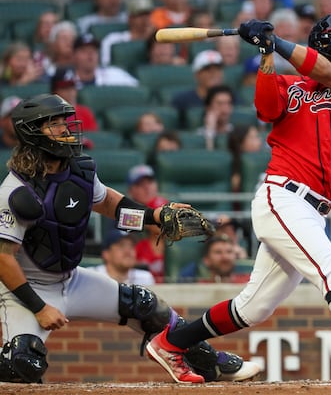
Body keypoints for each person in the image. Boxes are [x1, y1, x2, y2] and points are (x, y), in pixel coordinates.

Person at [145, 12, 331, 384]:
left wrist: (278, 41)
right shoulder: (289, 83)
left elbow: (328, 75)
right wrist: (267, 54)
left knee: (253, 307)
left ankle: (171, 342)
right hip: (282, 196)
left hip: (314, 210)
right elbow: (267, 109)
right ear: (321, 40)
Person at [0, 94, 259, 383]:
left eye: (64, 122)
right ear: (32, 134)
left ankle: (212, 364)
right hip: (28, 290)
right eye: (54, 124)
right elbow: (3, 258)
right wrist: (39, 307)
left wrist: (155, 217)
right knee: (23, 365)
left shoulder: (79, 170)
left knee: (147, 306)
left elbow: (108, 204)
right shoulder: (15, 191)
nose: (66, 129)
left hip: (71, 279)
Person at [126, 164, 169, 282]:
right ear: (131, 191)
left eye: (150, 182)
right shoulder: (125, 213)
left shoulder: (165, 204)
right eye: (140, 184)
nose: (147, 188)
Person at [100, 0, 156, 67]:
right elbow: (105, 66)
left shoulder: (156, 40)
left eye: (147, 14)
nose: (145, 19)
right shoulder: (112, 40)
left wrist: (151, 39)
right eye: (140, 15)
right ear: (130, 18)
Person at [90, 229, 155, 285]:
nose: (128, 251)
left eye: (131, 246)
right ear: (106, 254)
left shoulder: (145, 278)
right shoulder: (92, 276)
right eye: (121, 246)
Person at [72, 33, 139, 88]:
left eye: (94, 50)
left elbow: (138, 88)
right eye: (84, 50)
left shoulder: (113, 74)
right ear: (74, 55)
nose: (90, 54)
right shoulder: (67, 81)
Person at [179, 234, 251, 284]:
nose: (225, 257)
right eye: (218, 252)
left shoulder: (247, 283)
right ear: (206, 260)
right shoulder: (199, 288)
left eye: (229, 252)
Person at [172, 50, 224, 114]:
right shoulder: (182, 101)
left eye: (217, 69)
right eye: (207, 69)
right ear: (197, 75)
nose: (214, 73)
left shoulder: (233, 98)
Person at [51, 67, 99, 131]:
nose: (70, 91)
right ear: (55, 91)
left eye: (72, 87)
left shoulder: (85, 113)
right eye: (65, 88)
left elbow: (93, 138)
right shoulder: (47, 115)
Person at [195, 85, 236, 150]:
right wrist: (210, 129)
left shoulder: (236, 133)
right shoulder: (198, 135)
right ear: (208, 108)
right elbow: (210, 158)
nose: (225, 108)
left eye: (229, 103)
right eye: (220, 103)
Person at [228, 124, 264, 193]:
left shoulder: (267, 162)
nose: (259, 142)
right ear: (240, 143)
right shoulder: (232, 169)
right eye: (253, 138)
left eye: (257, 137)